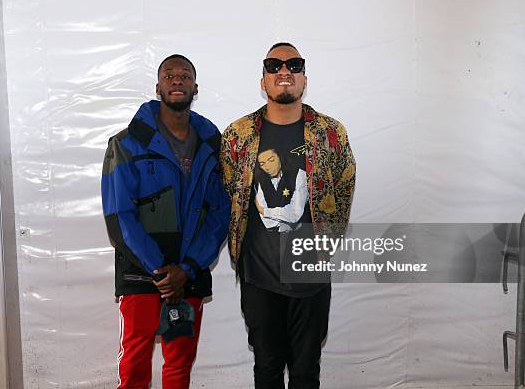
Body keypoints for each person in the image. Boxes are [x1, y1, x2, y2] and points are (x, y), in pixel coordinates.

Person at [220, 42, 356, 388]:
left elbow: (344, 189)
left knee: (306, 371)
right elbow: (228, 194)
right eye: (274, 65)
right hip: (259, 277)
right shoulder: (238, 135)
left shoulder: (330, 133)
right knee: (266, 369)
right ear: (263, 80)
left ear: (304, 79)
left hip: (309, 278)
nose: (284, 72)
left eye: (294, 65)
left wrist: (323, 245)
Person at [101, 54, 230, 389]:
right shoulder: (126, 143)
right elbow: (120, 218)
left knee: (178, 365)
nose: (177, 80)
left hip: (188, 273)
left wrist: (187, 268)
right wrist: (161, 271)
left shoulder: (212, 146)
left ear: (195, 87)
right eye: (169, 75)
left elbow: (219, 214)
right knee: (136, 363)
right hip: (142, 273)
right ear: (157, 86)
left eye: (184, 75)